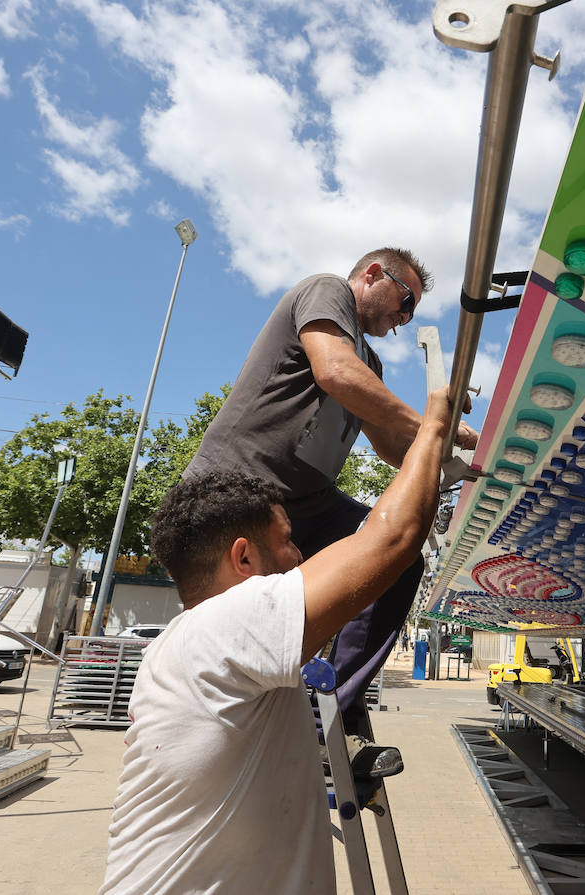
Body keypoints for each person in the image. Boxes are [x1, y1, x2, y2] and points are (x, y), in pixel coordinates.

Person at [100, 388, 452, 895]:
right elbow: (392, 540)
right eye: (287, 540)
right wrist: (434, 425)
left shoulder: (194, 646)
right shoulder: (222, 628)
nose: (300, 555)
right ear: (243, 560)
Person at [184, 247, 477, 736]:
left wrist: (453, 457)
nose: (403, 320)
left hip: (305, 505)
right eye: (405, 302)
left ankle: (332, 708)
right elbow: (334, 372)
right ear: (373, 274)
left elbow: (394, 448)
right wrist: (432, 423)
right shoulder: (326, 290)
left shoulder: (372, 366)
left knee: (400, 557)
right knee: (229, 634)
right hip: (237, 489)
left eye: (412, 314)